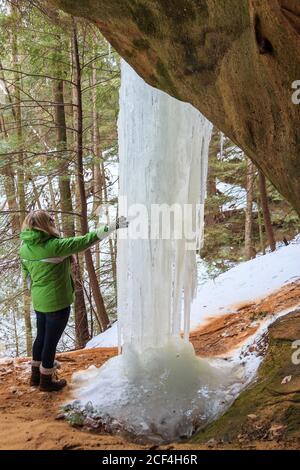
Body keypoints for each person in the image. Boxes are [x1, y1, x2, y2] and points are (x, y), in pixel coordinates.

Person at [19, 210, 128, 392]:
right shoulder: (54, 246)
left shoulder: (24, 247)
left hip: (39, 301)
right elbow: (86, 241)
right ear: (45, 225)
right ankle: (46, 379)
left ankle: (35, 376)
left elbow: (27, 275)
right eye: (51, 220)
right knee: (50, 342)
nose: (53, 222)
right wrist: (112, 227)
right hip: (57, 302)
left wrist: (36, 289)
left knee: (41, 337)